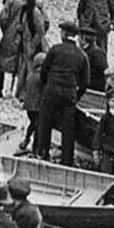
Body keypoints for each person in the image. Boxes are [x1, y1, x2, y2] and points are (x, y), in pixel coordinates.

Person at [36, 21, 90, 165]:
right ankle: (67, 160)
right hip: (69, 93)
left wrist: (47, 86)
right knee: (68, 128)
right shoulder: (82, 55)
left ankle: (42, 153)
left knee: (45, 121)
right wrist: (75, 96)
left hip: (52, 90)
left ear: (64, 34)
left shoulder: (55, 49)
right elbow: (85, 82)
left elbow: (43, 73)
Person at [18, 50, 46, 154]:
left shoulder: (31, 75)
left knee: (32, 124)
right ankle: (35, 148)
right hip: (37, 106)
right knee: (38, 126)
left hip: (29, 106)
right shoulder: (42, 77)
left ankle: (26, 139)